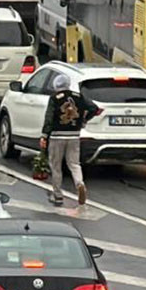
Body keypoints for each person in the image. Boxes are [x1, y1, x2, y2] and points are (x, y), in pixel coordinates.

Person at [40, 73, 99, 206]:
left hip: (57, 135)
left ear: (56, 85)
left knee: (56, 166)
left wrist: (44, 135)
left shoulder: (55, 98)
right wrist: (83, 120)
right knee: (74, 164)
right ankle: (79, 183)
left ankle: (58, 195)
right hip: (74, 135)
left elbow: (49, 118)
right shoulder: (78, 96)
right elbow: (94, 108)